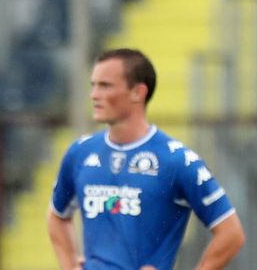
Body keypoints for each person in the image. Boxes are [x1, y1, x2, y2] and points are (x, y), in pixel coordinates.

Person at [47, 49, 245, 270]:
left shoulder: (176, 161)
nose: (94, 94)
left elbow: (231, 234)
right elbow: (57, 216)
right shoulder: (80, 153)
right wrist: (69, 265)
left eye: (105, 86)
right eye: (93, 85)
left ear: (138, 92)